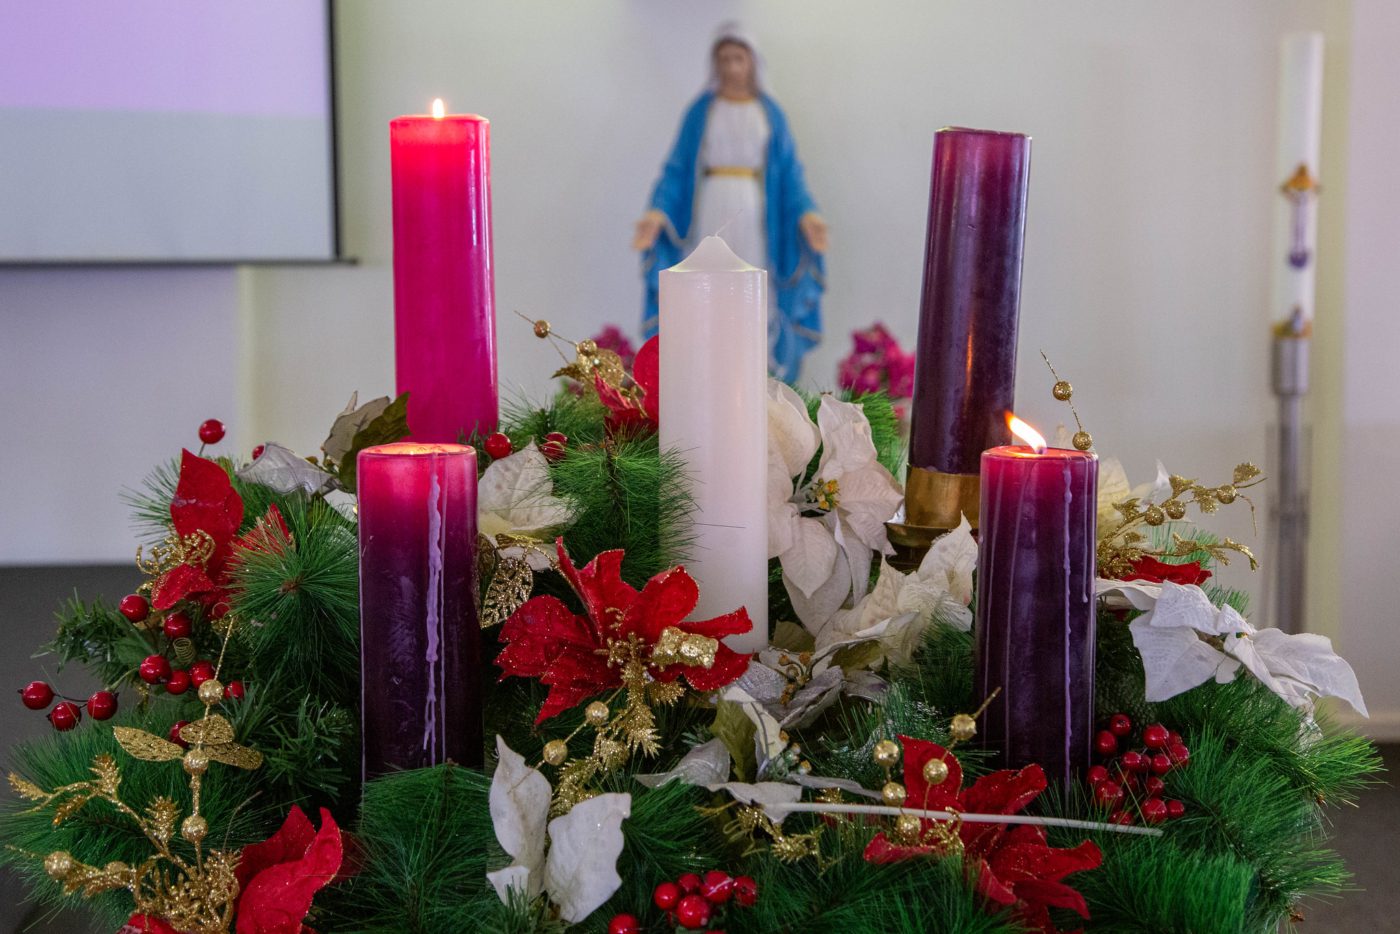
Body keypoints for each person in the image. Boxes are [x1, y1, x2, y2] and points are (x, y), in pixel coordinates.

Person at [633, 23, 828, 383]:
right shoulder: (701, 111)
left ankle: (754, 376)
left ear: (752, 63)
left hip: (754, 213)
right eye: (724, 59)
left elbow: (789, 173)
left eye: (738, 58)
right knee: (707, 281)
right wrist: (658, 212)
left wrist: (807, 214)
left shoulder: (769, 112)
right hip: (710, 207)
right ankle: (702, 372)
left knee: (751, 284)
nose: (731, 67)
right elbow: (676, 169)